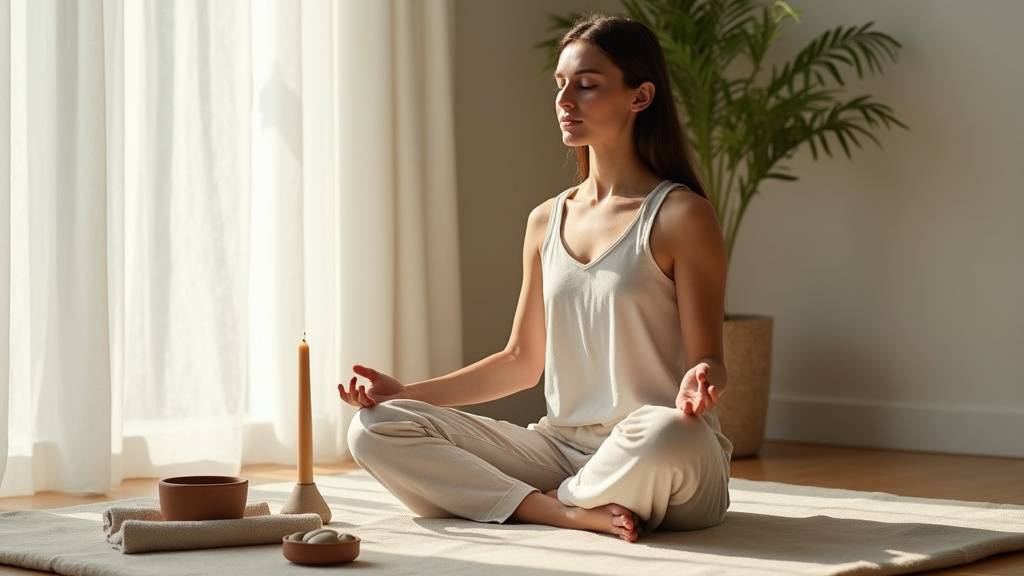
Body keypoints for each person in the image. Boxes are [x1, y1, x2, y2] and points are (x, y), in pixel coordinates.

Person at [339, 13, 733, 543]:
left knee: (666, 431)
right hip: (558, 451)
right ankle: (560, 510)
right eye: (560, 85)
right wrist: (407, 392)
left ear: (640, 97)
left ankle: (547, 501)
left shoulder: (681, 216)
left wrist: (702, 378)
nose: (565, 100)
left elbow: (710, 358)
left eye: (587, 86)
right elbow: (521, 361)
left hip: (663, 458)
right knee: (374, 429)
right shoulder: (547, 219)